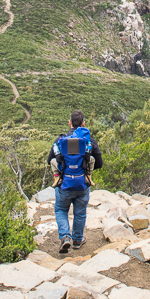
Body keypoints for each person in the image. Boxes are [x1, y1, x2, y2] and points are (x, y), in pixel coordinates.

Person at [47, 109, 103, 254]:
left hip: (64, 185)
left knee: (60, 210)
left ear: (70, 123)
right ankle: (77, 240)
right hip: (82, 184)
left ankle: (65, 237)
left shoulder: (60, 140)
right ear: (83, 123)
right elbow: (99, 163)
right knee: (80, 212)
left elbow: (49, 160)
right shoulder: (89, 141)